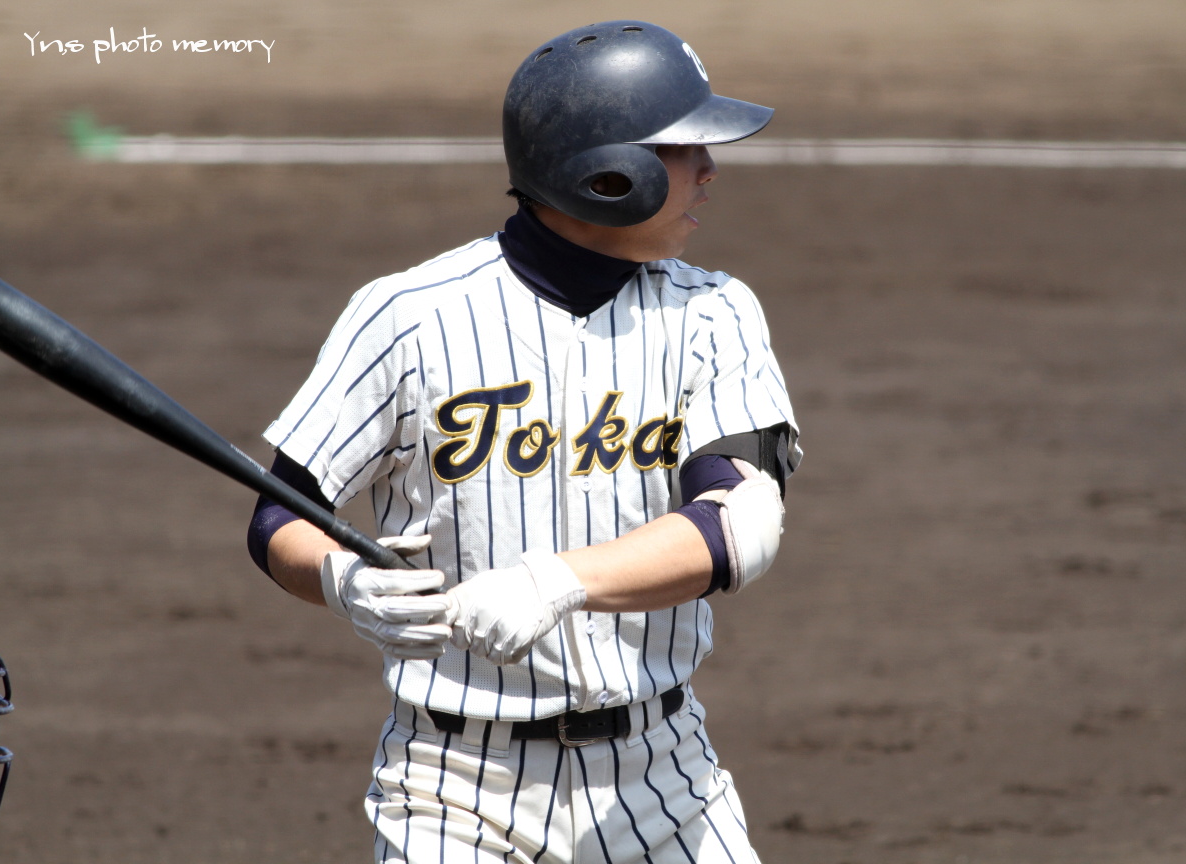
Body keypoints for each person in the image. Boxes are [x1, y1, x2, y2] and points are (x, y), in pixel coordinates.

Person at [247, 20, 801, 864]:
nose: (711, 169)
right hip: (451, 786)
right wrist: (339, 577)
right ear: (612, 174)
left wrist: (556, 583)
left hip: (664, 776)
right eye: (685, 149)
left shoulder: (715, 313)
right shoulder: (407, 316)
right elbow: (279, 517)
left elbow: (741, 524)